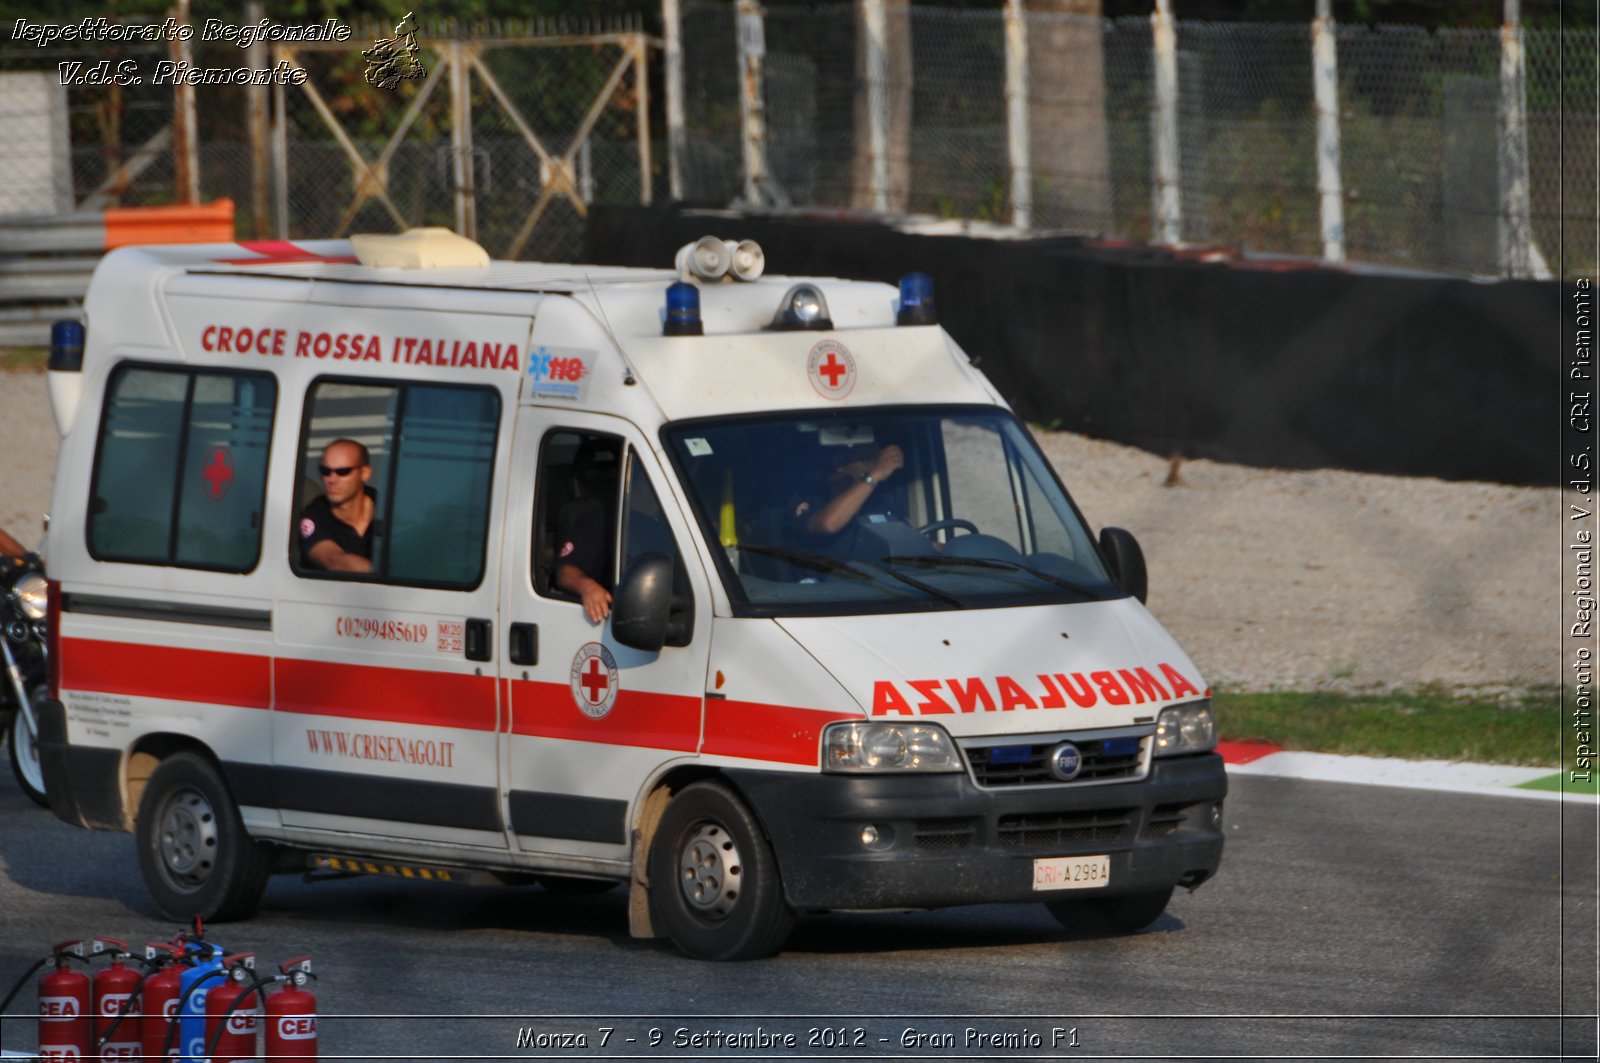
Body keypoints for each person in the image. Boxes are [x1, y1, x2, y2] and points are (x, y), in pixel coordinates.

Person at [786, 442, 904, 555]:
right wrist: (875, 474)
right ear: (840, 464)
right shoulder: (810, 498)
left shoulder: (879, 503)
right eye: (867, 459)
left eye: (877, 460)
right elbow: (828, 525)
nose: (875, 465)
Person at [299, 439, 377, 573]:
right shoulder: (314, 515)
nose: (332, 479)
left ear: (365, 473)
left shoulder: (389, 509)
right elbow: (334, 561)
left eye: (343, 471)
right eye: (325, 471)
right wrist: (387, 573)